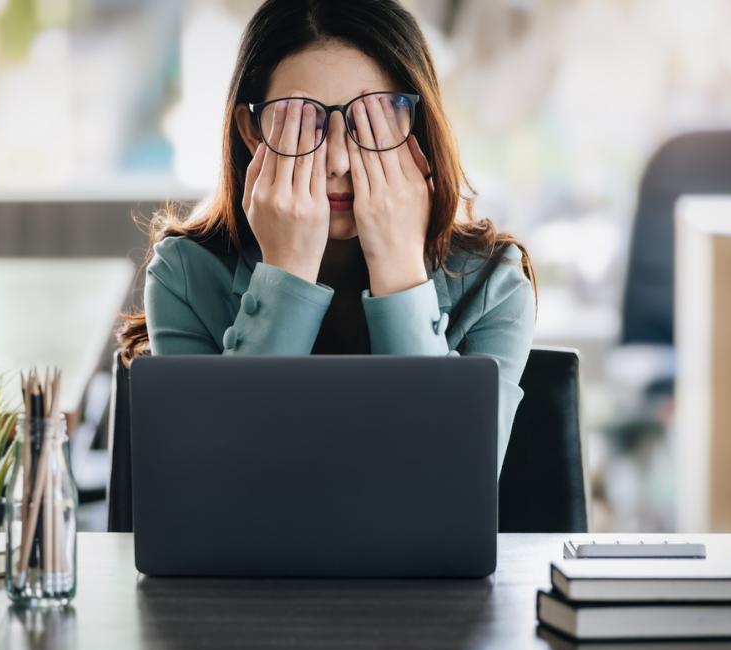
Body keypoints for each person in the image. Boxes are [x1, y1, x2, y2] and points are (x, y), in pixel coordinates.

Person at [117, 0, 537, 470]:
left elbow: (452, 479)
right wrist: (285, 271)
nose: (338, 161)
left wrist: (399, 267)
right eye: (304, 121)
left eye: (370, 121)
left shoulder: (492, 285)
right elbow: (216, 475)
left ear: (415, 128)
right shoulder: (186, 274)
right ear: (252, 132)